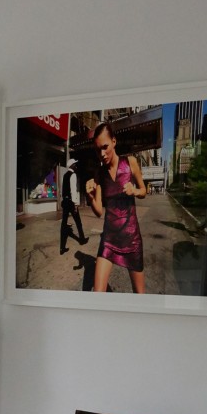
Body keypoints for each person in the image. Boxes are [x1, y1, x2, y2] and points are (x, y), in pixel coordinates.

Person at [85, 122, 146, 293]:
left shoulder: (130, 162)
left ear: (114, 141)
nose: (102, 154)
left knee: (139, 295)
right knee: (98, 294)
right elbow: (98, 211)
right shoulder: (100, 173)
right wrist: (89, 196)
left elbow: (144, 190)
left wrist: (134, 190)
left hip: (131, 239)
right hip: (109, 240)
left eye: (105, 147)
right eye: (98, 150)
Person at [60, 158, 88, 254]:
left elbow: (63, 189)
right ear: (72, 166)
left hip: (65, 201)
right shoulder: (73, 175)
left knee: (64, 224)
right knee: (78, 222)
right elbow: (73, 190)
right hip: (71, 202)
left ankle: (62, 248)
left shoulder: (64, 175)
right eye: (75, 165)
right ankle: (82, 239)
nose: (76, 166)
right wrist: (76, 204)